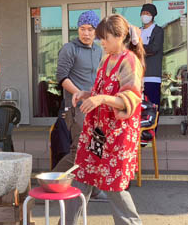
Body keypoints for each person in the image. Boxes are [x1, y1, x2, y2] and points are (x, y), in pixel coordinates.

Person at [67, 15, 145, 225]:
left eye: (105, 38)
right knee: (83, 175)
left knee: (114, 186)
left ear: (120, 37)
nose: (101, 42)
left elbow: (131, 98)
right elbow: (100, 90)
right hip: (99, 132)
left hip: (118, 134)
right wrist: (86, 94)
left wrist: (100, 98)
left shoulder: (130, 61)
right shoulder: (107, 57)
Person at [55, 10, 106, 200]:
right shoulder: (70, 48)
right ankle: (53, 180)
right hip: (76, 107)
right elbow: (62, 77)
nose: (86, 33)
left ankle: (93, 187)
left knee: (97, 145)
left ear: (96, 31)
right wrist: (78, 94)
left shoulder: (99, 50)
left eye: (90, 29)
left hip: (96, 106)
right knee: (79, 149)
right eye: (82, 29)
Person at [140, 3, 164, 109]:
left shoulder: (158, 31)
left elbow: (154, 48)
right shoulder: (138, 31)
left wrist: (138, 47)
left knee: (153, 106)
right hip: (137, 76)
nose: (145, 15)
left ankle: (153, 126)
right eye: (143, 13)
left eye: (148, 13)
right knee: (139, 107)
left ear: (153, 16)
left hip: (152, 76)